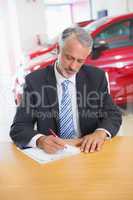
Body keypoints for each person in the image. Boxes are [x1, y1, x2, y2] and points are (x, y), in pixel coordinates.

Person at [10, 26, 122, 154]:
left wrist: (100, 133)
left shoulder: (96, 77)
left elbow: (113, 114)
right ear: (58, 49)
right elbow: (19, 127)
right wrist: (40, 140)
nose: (73, 67)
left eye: (80, 61)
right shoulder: (35, 81)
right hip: (54, 154)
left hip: (87, 150)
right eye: (69, 58)